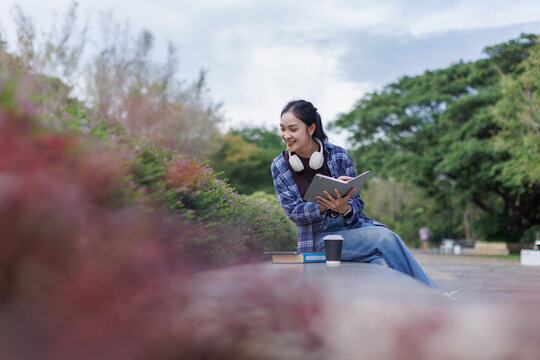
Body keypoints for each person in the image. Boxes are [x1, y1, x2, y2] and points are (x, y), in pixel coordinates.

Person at [271, 99, 438, 289]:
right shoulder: (279, 166)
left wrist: (345, 208)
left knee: (380, 263)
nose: (286, 135)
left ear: (311, 129)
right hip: (320, 238)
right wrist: (323, 204)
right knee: (385, 238)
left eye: (293, 129)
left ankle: (413, 308)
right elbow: (294, 213)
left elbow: (357, 204)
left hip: (353, 228)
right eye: (283, 129)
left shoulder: (339, 155)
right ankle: (433, 297)